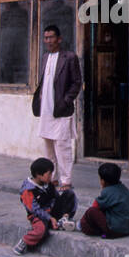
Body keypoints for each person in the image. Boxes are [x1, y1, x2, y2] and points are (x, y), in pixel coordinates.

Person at [32, 24, 82, 191]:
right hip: (46, 109)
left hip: (61, 109)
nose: (48, 41)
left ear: (59, 39)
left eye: (51, 37)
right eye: (46, 38)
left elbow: (77, 82)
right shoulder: (45, 57)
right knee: (48, 146)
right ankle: (51, 178)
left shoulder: (69, 57)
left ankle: (66, 181)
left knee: (62, 146)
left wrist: (66, 100)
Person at [13, 157, 78, 254]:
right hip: (38, 216)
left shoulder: (48, 184)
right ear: (39, 175)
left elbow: (56, 197)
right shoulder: (28, 190)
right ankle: (25, 241)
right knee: (41, 230)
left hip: (51, 211)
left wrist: (61, 197)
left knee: (69, 194)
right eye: (49, 174)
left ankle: (63, 220)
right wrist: (50, 218)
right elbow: (35, 210)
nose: (51, 176)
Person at [79, 162, 129, 238]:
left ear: (102, 181)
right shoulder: (123, 188)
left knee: (91, 212)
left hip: (117, 230)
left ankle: (80, 226)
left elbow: (95, 207)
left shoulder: (107, 192)